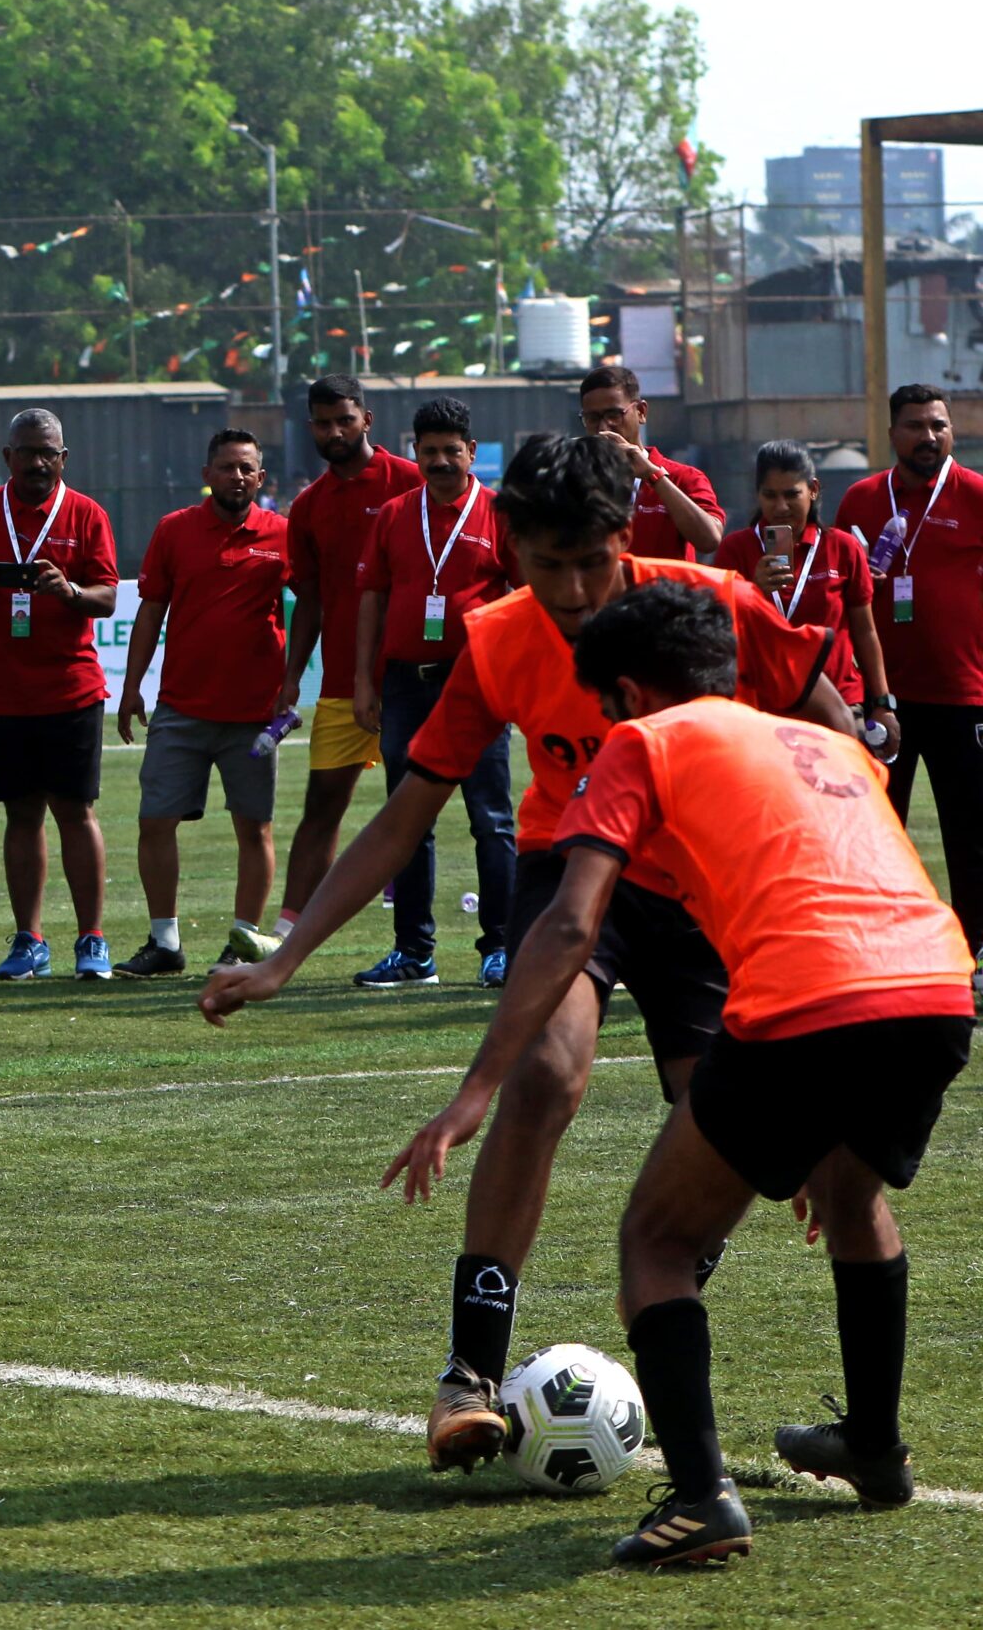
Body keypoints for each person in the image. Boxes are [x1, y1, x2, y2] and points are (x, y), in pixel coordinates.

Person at [200, 432, 854, 1473]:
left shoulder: (709, 604)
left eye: (593, 561)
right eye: (549, 565)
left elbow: (832, 728)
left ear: (625, 536)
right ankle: (468, 1374)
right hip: (573, 871)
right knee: (544, 1073)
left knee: (726, 1121)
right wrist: (285, 955)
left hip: (704, 882)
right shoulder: (499, 637)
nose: (575, 590)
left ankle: (677, 1293)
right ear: (511, 548)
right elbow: (404, 815)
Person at [393, 583, 971, 1565]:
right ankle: (874, 1449)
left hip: (808, 995)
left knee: (656, 1239)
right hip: (934, 986)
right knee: (851, 1194)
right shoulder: (827, 743)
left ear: (627, 691)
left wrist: (474, 1091)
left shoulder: (642, 741)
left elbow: (569, 925)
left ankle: (702, 1500)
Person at [0, 408, 121, 980]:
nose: (38, 462)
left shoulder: (86, 513)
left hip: (71, 689)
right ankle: (30, 940)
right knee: (21, 815)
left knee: (76, 811)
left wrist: (68, 591)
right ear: (8, 456)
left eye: (48, 453)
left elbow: (108, 597)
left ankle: (92, 938)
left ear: (63, 458)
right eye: (27, 452)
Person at [350, 396, 518, 989]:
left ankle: (501, 947)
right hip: (405, 684)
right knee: (407, 822)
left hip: (476, 685)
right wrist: (364, 681)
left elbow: (527, 596)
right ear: (414, 452)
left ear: (472, 452)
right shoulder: (396, 514)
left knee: (491, 820)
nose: (441, 461)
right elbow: (372, 598)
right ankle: (414, 952)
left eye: (452, 451)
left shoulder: (500, 513)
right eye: (430, 451)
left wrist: (515, 675)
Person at [116, 429, 288, 974]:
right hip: (181, 708)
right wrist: (131, 685)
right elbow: (151, 610)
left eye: (247, 468)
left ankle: (243, 941)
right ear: (206, 475)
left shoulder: (284, 534)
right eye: (227, 467)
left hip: (255, 715)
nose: (237, 476)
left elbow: (312, 608)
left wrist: (293, 687)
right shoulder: (174, 529)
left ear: (261, 478)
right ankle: (165, 943)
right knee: (154, 821)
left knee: (254, 828)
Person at [274, 374, 423, 941]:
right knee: (321, 807)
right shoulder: (309, 505)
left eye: (344, 420)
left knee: (424, 811)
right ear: (310, 427)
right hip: (341, 680)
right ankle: (285, 933)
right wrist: (292, 678)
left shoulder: (410, 481)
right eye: (322, 423)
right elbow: (309, 600)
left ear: (367, 419)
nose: (334, 432)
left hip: (412, 675)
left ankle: (424, 943)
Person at [834, 384, 983, 948]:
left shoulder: (977, 495)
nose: (929, 436)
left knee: (972, 835)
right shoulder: (861, 500)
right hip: (882, 697)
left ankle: (976, 950)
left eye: (938, 425)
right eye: (916, 426)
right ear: (892, 431)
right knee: (876, 832)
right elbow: (838, 592)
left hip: (963, 693)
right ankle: (879, 949)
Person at [713, 441, 891, 749]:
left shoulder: (843, 548)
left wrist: (883, 703)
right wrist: (752, 591)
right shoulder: (735, 549)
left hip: (838, 703)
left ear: (813, 490)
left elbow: (865, 632)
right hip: (764, 705)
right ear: (757, 495)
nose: (781, 506)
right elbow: (722, 631)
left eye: (791, 494)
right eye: (770, 495)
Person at [580, 366, 722, 561]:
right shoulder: (577, 482)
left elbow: (709, 540)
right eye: (593, 418)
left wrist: (653, 476)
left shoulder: (682, 478)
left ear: (641, 412)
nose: (604, 428)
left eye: (614, 415)